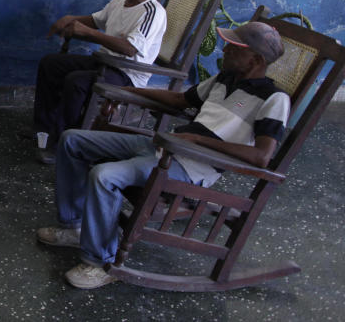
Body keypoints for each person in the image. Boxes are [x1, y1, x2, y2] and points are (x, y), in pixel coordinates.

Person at [36, 21, 289, 289]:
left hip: (192, 167)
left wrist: (197, 140)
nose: (224, 50)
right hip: (168, 148)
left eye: (234, 48)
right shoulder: (224, 78)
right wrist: (126, 92)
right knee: (72, 140)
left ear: (256, 60)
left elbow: (261, 156)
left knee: (104, 175)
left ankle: (100, 262)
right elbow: (181, 101)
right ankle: (75, 227)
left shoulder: (274, 98)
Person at [33, 0, 166, 164]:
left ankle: (64, 143)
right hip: (105, 63)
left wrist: (88, 33)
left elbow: (130, 49)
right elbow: (97, 20)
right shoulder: (120, 1)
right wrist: (71, 19)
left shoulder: (153, 13)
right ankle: (44, 129)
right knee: (50, 64)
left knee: (76, 82)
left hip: (127, 73)